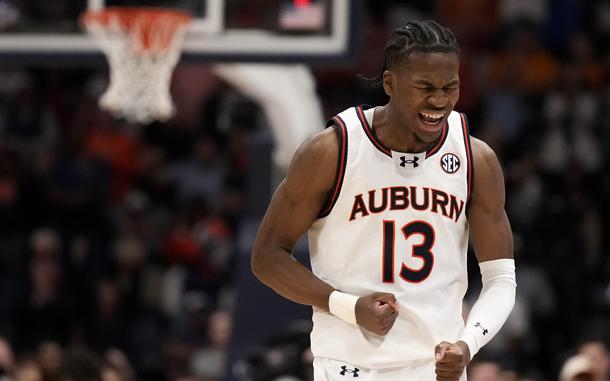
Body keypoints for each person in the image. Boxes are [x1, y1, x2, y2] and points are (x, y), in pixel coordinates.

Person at [251, 20, 516, 381]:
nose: (439, 101)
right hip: (350, 366)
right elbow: (266, 256)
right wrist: (347, 306)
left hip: (435, 369)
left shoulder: (476, 159)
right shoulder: (333, 150)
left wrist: (468, 343)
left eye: (449, 87)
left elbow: (500, 279)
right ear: (390, 83)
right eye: (425, 87)